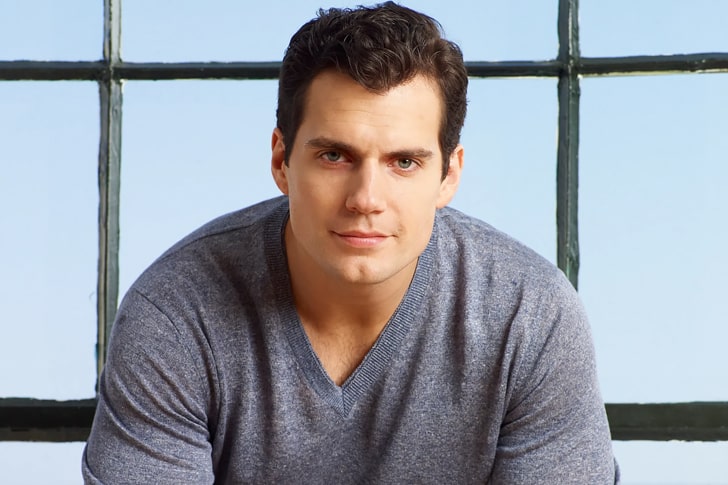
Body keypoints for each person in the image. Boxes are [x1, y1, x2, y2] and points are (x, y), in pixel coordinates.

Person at [82, 2, 618, 483]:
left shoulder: (530, 318)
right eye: (335, 156)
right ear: (281, 161)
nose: (366, 199)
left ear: (449, 175)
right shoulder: (175, 314)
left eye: (403, 162)